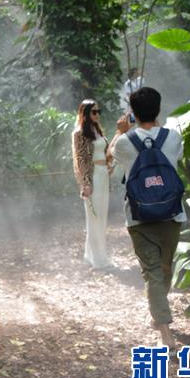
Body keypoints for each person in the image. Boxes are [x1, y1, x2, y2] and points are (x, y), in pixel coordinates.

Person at [110, 87, 186, 348]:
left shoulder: (124, 142)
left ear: (132, 112)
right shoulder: (173, 137)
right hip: (172, 215)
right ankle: (163, 326)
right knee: (163, 269)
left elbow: (110, 158)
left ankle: (161, 321)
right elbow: (174, 158)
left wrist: (121, 130)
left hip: (139, 218)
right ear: (159, 109)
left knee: (154, 272)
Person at [72, 100, 114, 270]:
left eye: (99, 111)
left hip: (103, 175)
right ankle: (99, 260)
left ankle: (91, 256)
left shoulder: (98, 131)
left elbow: (106, 153)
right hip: (93, 177)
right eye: (94, 112)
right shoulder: (79, 133)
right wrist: (86, 184)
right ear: (85, 114)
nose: (97, 115)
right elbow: (81, 160)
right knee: (94, 218)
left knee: (101, 218)